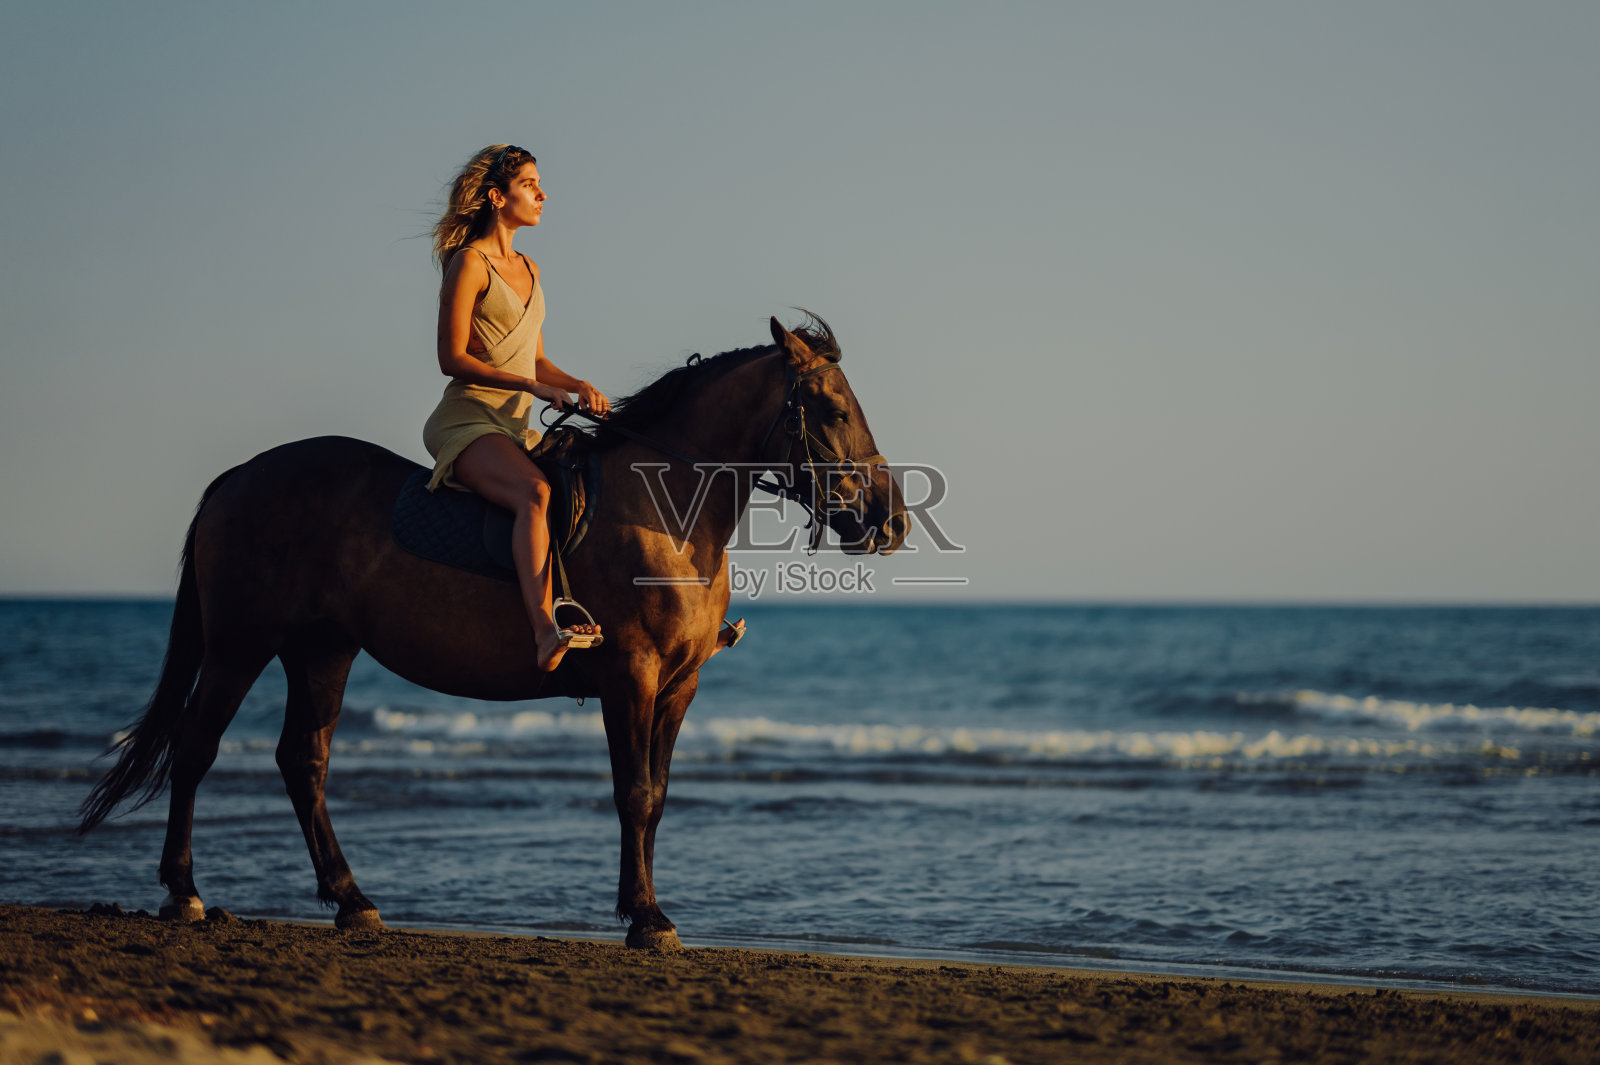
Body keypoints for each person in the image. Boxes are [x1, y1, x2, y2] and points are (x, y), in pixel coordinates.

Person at [424, 144, 606, 671]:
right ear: (497, 197)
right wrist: (531, 386)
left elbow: (539, 361)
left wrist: (577, 385)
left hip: (514, 425)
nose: (542, 194)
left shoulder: (530, 267)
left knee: (589, 483)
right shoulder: (469, 263)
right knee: (535, 492)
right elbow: (451, 358)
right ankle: (545, 630)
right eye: (529, 184)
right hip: (467, 420)